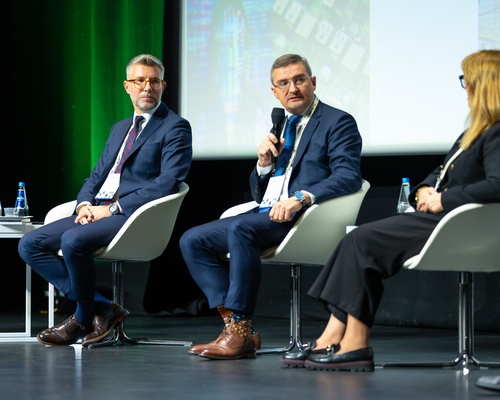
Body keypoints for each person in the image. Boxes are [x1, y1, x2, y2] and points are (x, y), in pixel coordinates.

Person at [281, 49, 500, 372]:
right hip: (438, 220)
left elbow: (496, 185)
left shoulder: (496, 133)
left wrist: (444, 200)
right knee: (359, 240)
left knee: (362, 242)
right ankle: (340, 334)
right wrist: (425, 191)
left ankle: (351, 339)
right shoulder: (474, 133)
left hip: (458, 225)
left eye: (466, 80)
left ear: (482, 85)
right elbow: (439, 174)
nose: (464, 87)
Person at [180, 53, 363, 360]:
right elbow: (260, 189)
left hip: (305, 217)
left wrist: (302, 198)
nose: (293, 88)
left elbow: (349, 177)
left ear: (313, 82)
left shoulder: (337, 122)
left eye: (299, 79)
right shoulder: (280, 126)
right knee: (192, 239)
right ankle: (239, 331)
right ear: (274, 91)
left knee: (240, 228)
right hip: (266, 213)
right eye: (283, 83)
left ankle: (238, 332)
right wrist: (264, 165)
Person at [18, 54, 193, 346]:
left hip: (131, 214)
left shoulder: (175, 126)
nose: (146, 87)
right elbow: (96, 175)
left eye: (153, 81)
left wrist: (111, 209)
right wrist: (85, 205)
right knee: (29, 244)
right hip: (97, 209)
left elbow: (168, 182)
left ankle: (83, 317)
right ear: (127, 86)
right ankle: (102, 306)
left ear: (163, 85)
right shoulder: (119, 127)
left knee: (73, 241)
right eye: (139, 81)